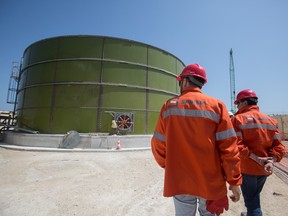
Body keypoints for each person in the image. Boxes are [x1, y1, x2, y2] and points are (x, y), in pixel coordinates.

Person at [151, 64, 242, 216]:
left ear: (185, 81)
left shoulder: (168, 107)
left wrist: (168, 164)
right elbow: (229, 148)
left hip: (180, 179)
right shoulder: (217, 106)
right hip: (210, 181)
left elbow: (158, 143)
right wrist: (234, 181)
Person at [231, 89, 285, 216]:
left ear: (244, 102)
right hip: (264, 169)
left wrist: (256, 159)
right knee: (253, 197)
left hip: (247, 168)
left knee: (253, 202)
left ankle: (252, 212)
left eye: (237, 103)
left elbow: (236, 146)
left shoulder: (238, 120)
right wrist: (271, 160)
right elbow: (279, 147)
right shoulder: (270, 121)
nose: (237, 106)